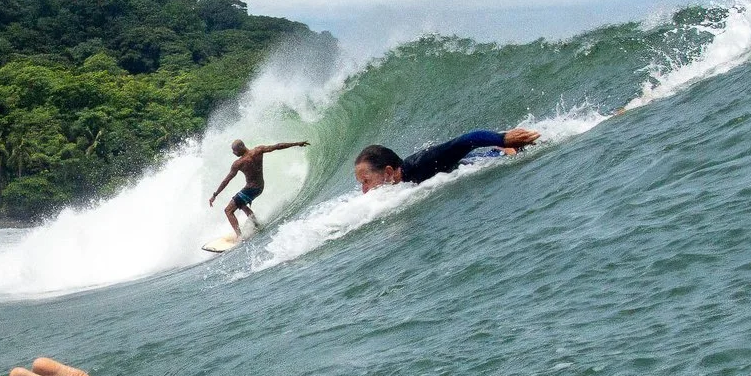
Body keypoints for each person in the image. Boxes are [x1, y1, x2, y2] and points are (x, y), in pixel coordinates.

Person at [353, 127, 543, 191]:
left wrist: (503, 139)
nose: (364, 190)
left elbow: (466, 140)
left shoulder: (422, 164)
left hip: (498, 157)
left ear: (387, 172)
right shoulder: (403, 183)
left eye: (366, 182)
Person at [208, 137, 308, 238]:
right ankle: (257, 224)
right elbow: (277, 146)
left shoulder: (238, 163)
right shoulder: (258, 150)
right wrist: (297, 143)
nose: (233, 153)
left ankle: (240, 237)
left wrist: (215, 195)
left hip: (250, 189)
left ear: (242, 146)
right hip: (260, 188)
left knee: (228, 210)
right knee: (240, 203)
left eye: (235, 150)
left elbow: (226, 180)